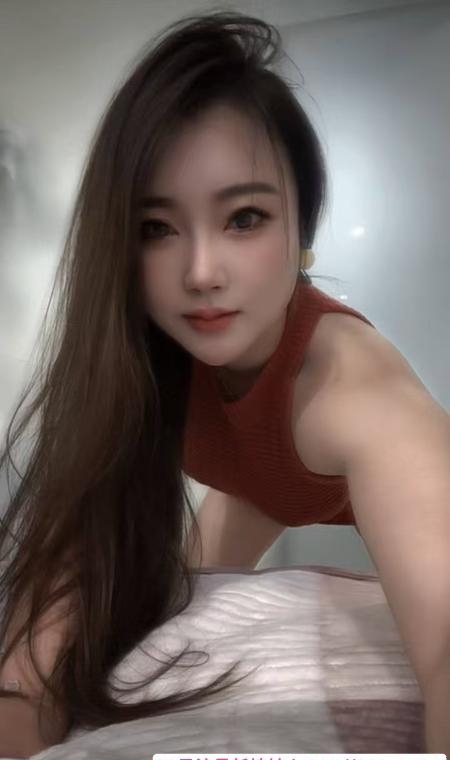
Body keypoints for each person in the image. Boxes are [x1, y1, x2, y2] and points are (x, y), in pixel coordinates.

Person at [0, 9, 449, 757]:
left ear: (302, 227)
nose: (201, 272)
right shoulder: (140, 362)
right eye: (156, 228)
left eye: (244, 217)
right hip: (254, 485)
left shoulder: (358, 395)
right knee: (164, 612)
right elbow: (36, 656)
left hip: (291, 473)